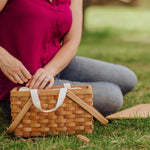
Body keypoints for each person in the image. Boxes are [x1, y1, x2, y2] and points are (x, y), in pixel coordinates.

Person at [0, 0, 137, 118]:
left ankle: (63, 86)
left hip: (56, 64)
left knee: (128, 78)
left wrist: (50, 70)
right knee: (112, 97)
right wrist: (3, 58)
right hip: (23, 82)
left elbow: (72, 41)